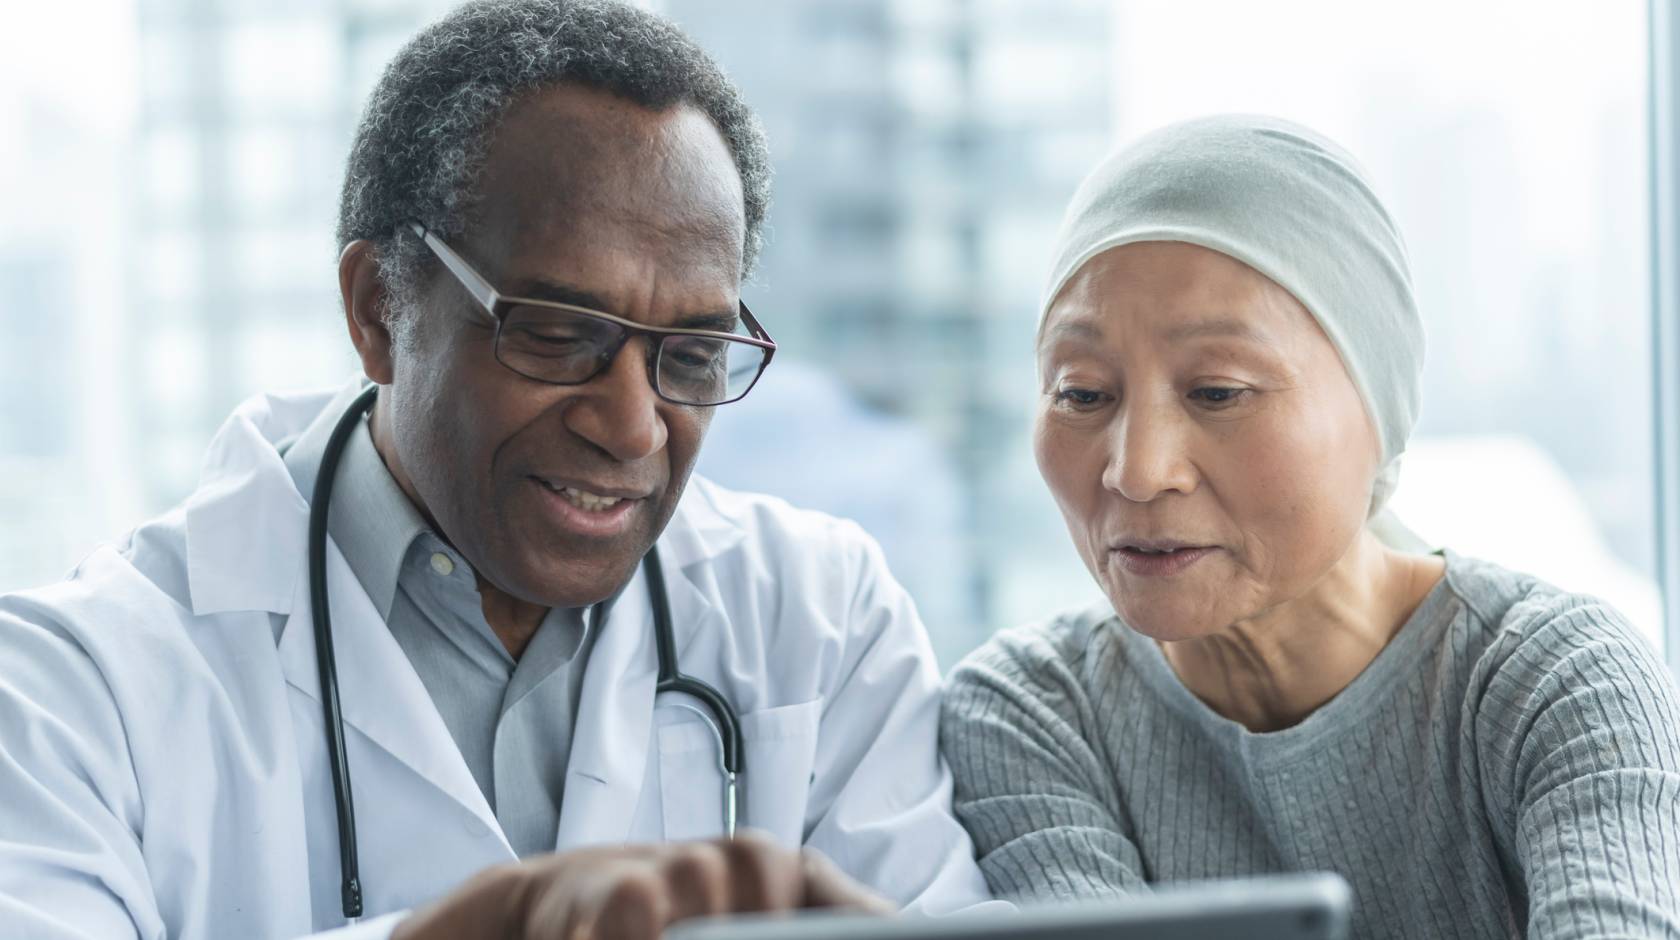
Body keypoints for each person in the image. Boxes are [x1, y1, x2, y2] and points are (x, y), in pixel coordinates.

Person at [0, 2, 996, 938]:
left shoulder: (821, 621)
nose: (635, 427)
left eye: (690, 356)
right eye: (560, 335)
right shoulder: (66, 689)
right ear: (376, 308)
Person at [939, 114, 1680, 939]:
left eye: (1217, 391)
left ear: (1380, 410)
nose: (1137, 471)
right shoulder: (1033, 710)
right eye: (1081, 393)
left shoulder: (1555, 684)